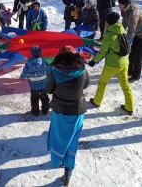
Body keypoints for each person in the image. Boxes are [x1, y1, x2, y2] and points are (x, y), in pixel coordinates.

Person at [46, 45, 89, 186]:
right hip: (77, 111)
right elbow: (86, 85)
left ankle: (57, 160)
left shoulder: (55, 71)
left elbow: (49, 89)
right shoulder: (83, 70)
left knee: (58, 137)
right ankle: (68, 174)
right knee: (72, 141)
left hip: (59, 111)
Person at [88, 12, 134, 114]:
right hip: (124, 62)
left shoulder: (110, 35)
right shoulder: (121, 30)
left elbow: (102, 51)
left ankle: (97, 101)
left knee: (102, 83)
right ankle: (129, 107)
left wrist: (93, 61)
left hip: (112, 64)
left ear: (109, 22)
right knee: (125, 85)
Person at [118, 0, 142, 83]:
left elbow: (131, 30)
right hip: (137, 33)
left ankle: (136, 76)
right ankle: (129, 71)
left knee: (137, 55)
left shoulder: (133, 13)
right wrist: (120, 33)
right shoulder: (124, 10)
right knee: (132, 53)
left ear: (125, 4)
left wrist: (125, 42)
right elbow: (124, 23)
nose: (118, 5)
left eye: (120, 4)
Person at [20, 45, 52, 116]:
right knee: (44, 97)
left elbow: (25, 72)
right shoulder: (43, 61)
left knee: (34, 98)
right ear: (40, 53)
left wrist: (22, 77)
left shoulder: (29, 62)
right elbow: (49, 69)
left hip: (34, 85)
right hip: (44, 84)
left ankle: (35, 112)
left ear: (31, 53)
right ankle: (45, 110)